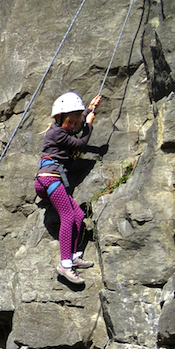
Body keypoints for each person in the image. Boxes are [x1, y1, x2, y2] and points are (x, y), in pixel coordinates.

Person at [35, 91, 102, 285]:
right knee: (68, 216)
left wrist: (90, 108)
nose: (73, 126)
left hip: (53, 180)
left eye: (75, 122)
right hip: (49, 178)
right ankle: (65, 264)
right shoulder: (57, 133)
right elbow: (81, 143)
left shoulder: (63, 129)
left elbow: (77, 122)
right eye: (69, 122)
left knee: (78, 215)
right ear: (59, 118)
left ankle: (73, 256)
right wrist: (89, 125)